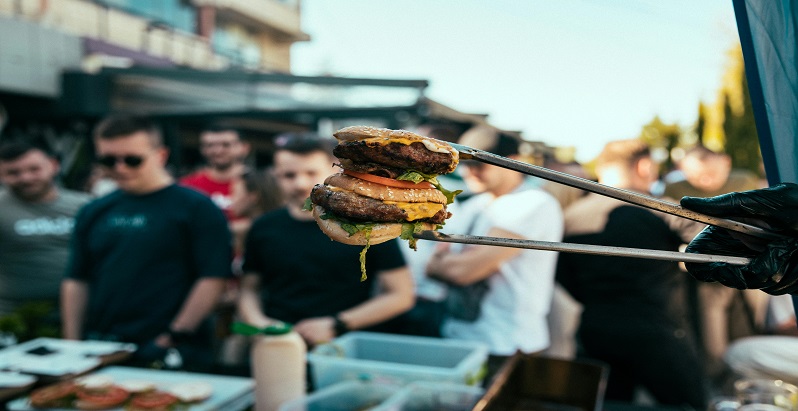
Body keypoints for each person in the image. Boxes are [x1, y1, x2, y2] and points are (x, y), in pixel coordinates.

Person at [61, 115, 232, 372]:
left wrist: (173, 336)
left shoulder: (196, 208)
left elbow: (212, 277)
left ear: (160, 155)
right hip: (102, 344)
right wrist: (72, 344)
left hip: (171, 347)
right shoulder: (94, 210)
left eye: (132, 160)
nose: (120, 168)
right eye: (108, 160)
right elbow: (77, 278)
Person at [556, 139, 709, 409]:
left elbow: (564, 278)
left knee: (612, 405)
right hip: (657, 330)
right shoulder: (659, 207)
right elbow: (709, 248)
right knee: (691, 405)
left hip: (594, 330)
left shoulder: (570, 216)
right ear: (644, 166)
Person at [237, 132, 414, 347]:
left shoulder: (367, 224)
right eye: (289, 175)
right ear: (276, 175)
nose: (300, 184)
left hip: (345, 345)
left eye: (311, 173)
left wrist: (337, 323)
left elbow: (401, 295)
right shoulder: (264, 226)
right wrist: (261, 324)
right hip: (278, 344)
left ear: (335, 172)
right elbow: (249, 289)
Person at [425, 125, 563, 385]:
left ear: (514, 163)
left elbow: (459, 271)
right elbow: (430, 266)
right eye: (463, 163)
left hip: (507, 345)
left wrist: (450, 264)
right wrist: (450, 264)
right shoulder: (475, 204)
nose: (469, 172)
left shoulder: (533, 203)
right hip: (461, 336)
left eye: (480, 163)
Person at [664, 145, 768, 382]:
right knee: (711, 332)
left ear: (726, 163)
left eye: (711, 172)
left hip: (750, 264)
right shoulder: (676, 190)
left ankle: (749, 376)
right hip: (707, 270)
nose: (706, 180)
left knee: (754, 321)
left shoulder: (745, 181)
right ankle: (717, 379)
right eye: (697, 175)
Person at [0, 139, 91, 339]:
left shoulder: (84, 206)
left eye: (34, 169)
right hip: (15, 317)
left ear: (53, 165)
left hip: (82, 314)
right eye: (13, 173)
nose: (25, 178)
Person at [180, 124, 250, 220]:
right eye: (210, 145)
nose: (218, 151)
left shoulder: (260, 185)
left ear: (244, 148)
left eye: (226, 145)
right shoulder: (187, 186)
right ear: (202, 149)